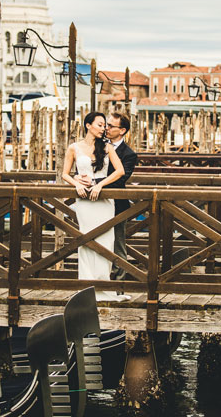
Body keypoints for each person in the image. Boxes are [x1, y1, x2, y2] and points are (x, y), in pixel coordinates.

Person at [60, 112, 128, 301]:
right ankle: (86, 286)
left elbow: (120, 171)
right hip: (84, 202)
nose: (103, 128)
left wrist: (100, 185)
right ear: (88, 125)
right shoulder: (74, 147)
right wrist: (77, 184)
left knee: (105, 241)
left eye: (104, 125)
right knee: (86, 242)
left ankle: (103, 286)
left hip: (103, 202)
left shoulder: (106, 147)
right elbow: (64, 174)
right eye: (99, 124)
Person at [105, 112, 137, 280]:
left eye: (111, 126)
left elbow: (121, 179)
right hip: (95, 203)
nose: (107, 128)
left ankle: (119, 281)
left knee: (118, 243)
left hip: (117, 204)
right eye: (106, 124)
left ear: (122, 130)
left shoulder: (129, 154)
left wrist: (98, 183)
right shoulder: (98, 145)